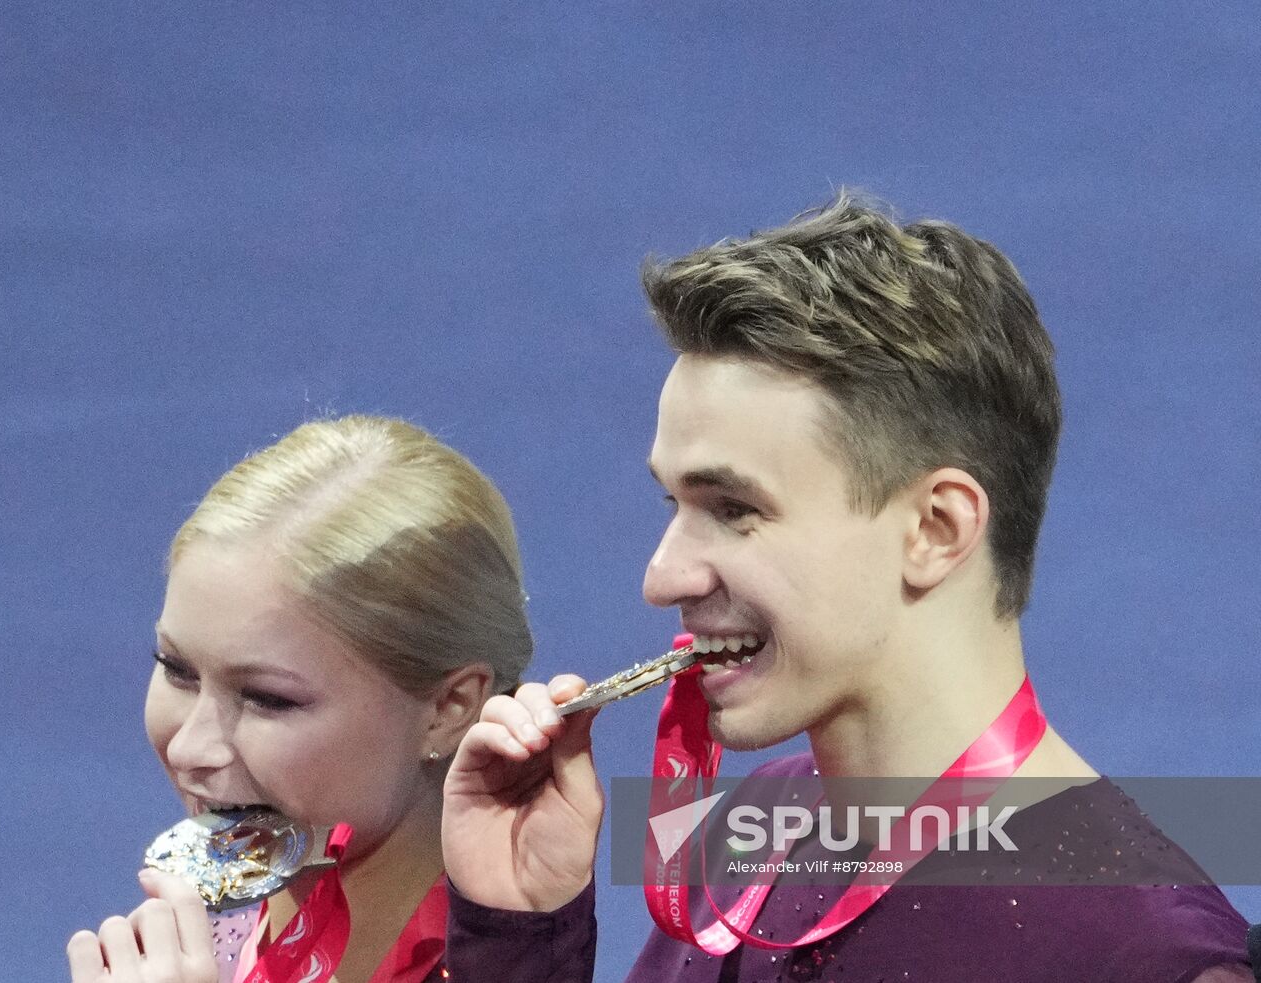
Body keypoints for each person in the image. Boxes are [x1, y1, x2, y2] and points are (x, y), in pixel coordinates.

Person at [440, 194, 1252, 981]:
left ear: (935, 529)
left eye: (734, 508)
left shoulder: (1150, 958)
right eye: (674, 502)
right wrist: (520, 933)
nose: (662, 577)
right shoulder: (754, 837)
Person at [67, 415, 534, 983]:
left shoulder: (517, 964)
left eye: (268, 699)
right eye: (177, 669)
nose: (189, 748)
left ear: (449, 707)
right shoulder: (203, 949)